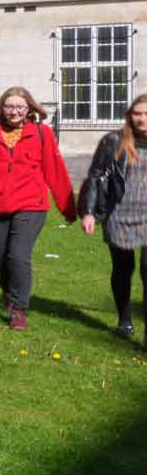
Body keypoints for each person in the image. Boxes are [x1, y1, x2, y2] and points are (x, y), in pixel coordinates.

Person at [0, 86, 75, 330]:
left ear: (29, 109)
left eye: (20, 107)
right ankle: (10, 293)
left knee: (18, 255)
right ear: (1, 108)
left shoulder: (41, 133)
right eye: (9, 106)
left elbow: (55, 170)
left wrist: (68, 207)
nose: (14, 112)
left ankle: (18, 309)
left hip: (31, 204)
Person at [79, 93, 147, 339]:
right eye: (137, 114)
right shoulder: (113, 141)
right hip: (119, 214)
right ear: (130, 116)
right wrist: (89, 212)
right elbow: (95, 175)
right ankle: (125, 319)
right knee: (123, 269)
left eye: (146, 114)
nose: (141, 119)